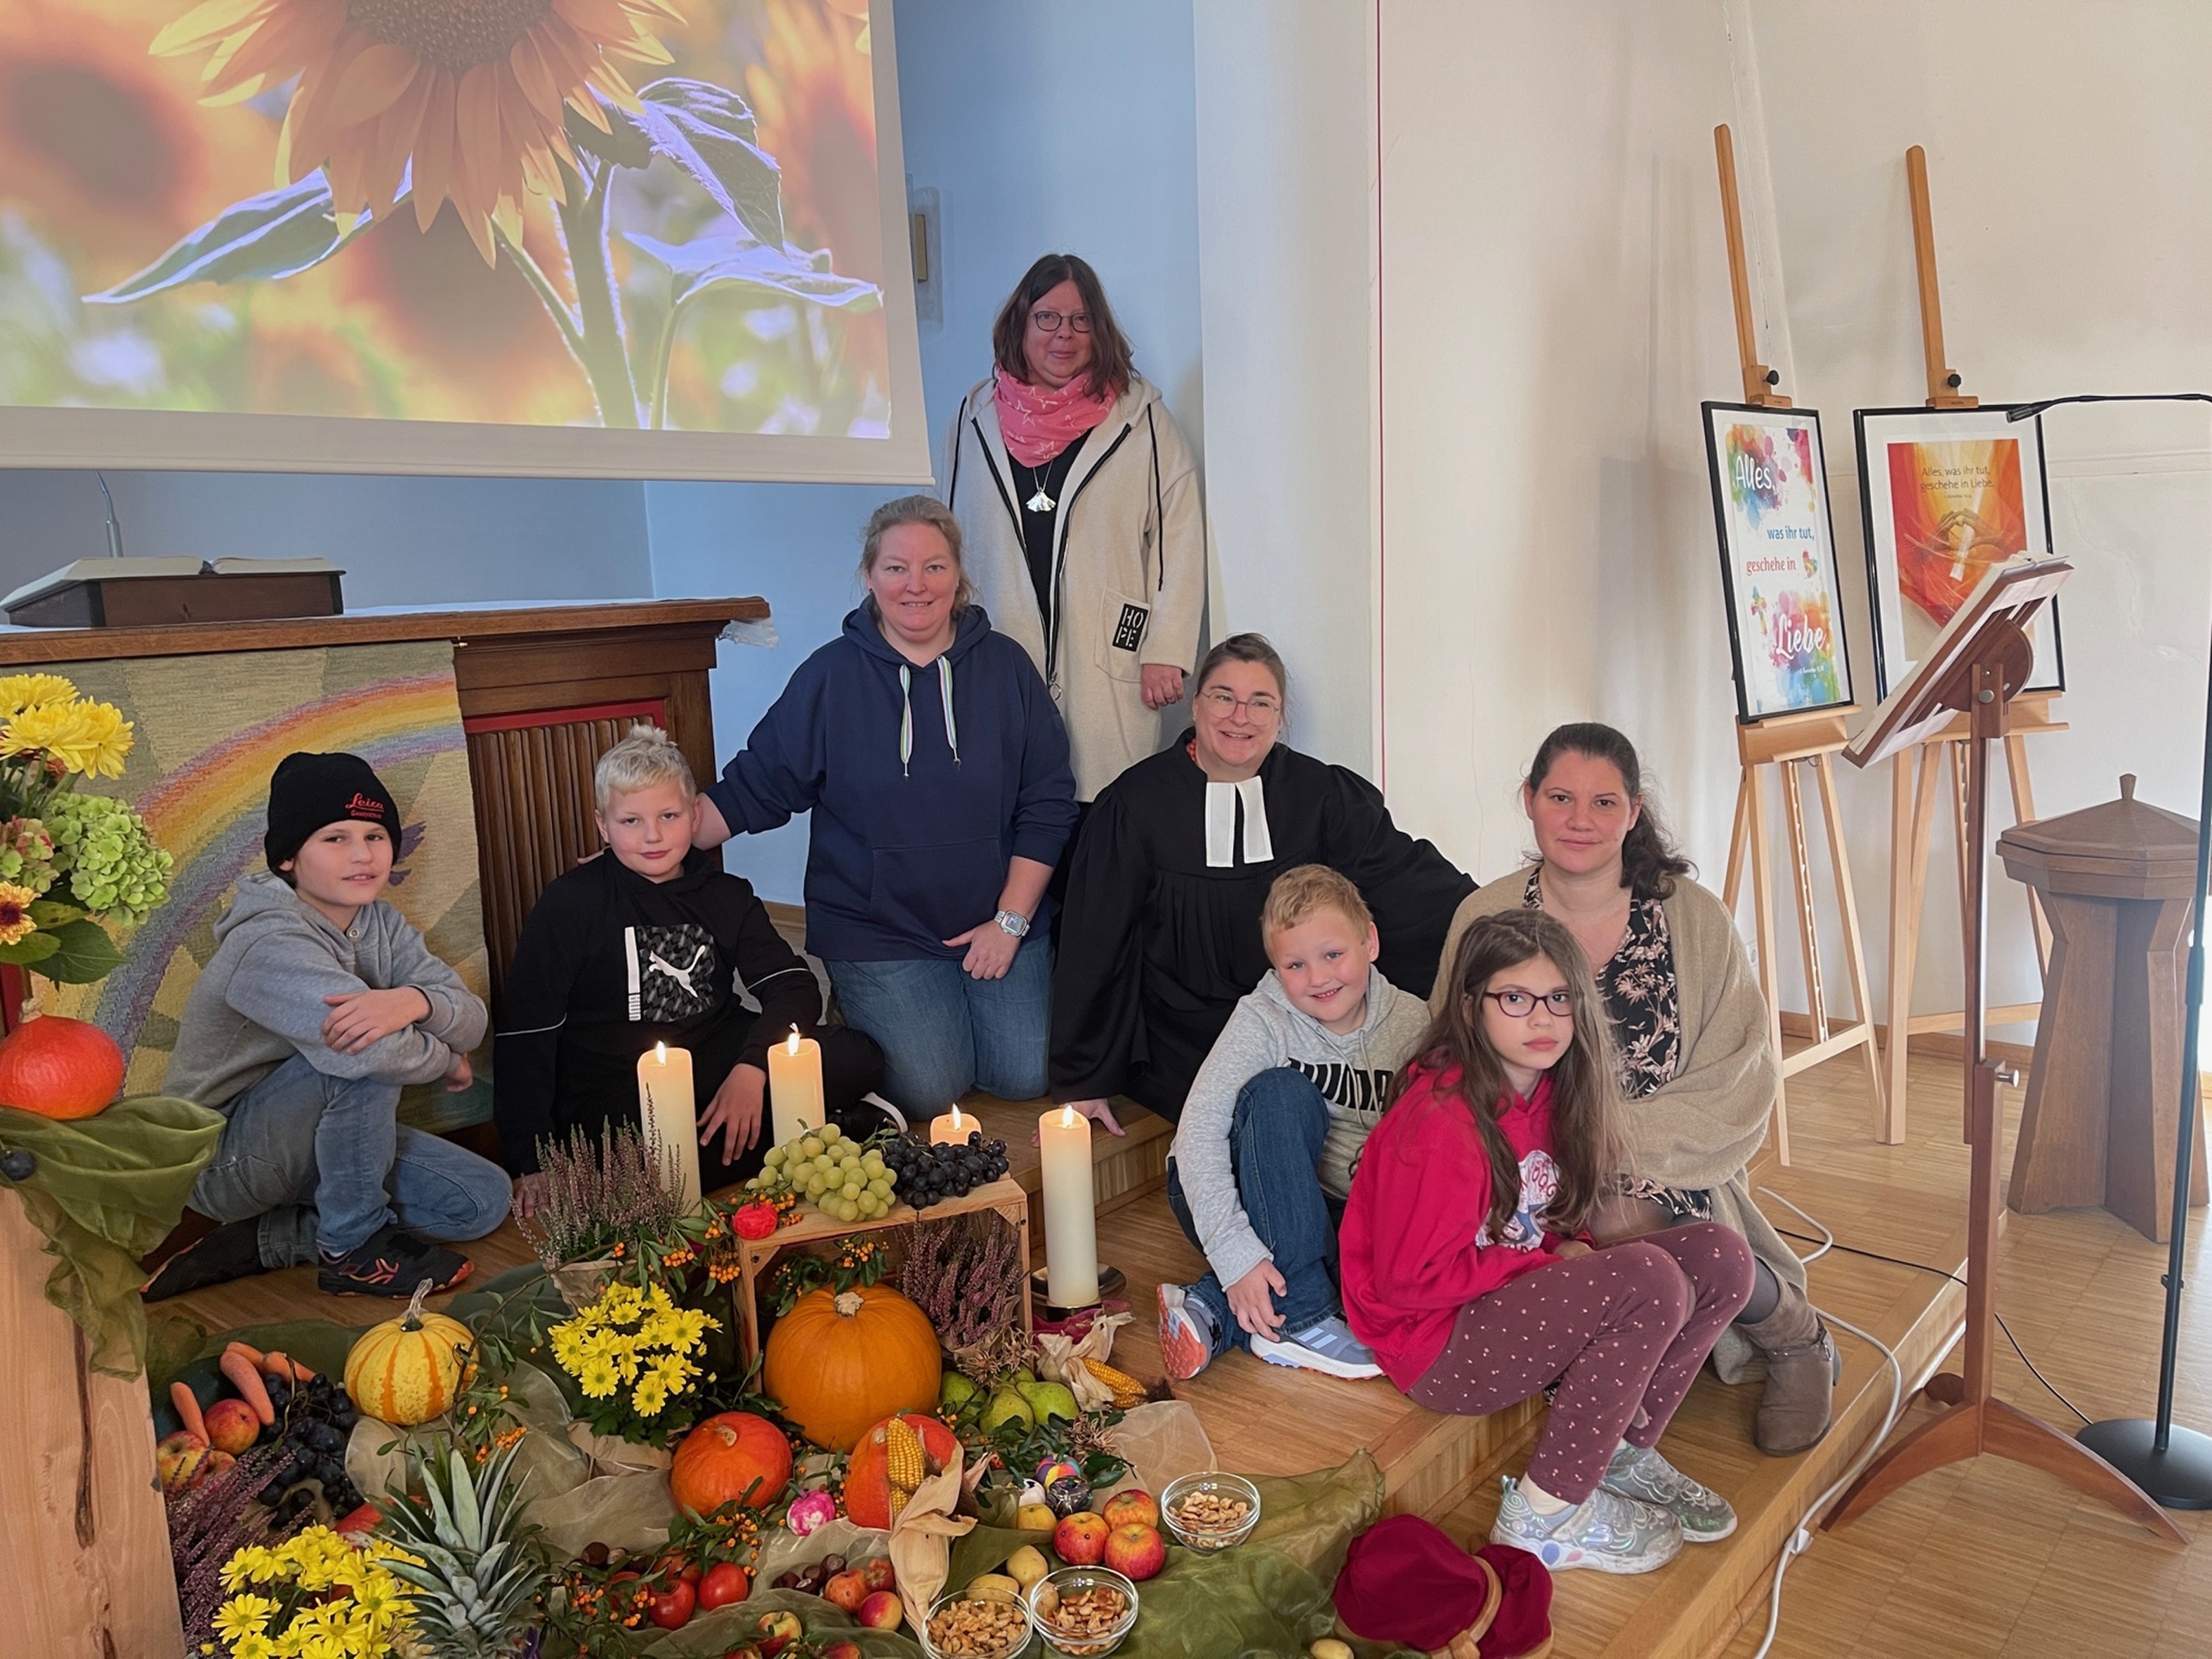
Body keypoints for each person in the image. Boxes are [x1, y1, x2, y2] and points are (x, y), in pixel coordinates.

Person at [1432, 722, 1832, 1456]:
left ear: (1634, 811)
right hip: (1522, 1157)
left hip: (1662, 1155)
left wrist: (1608, 1143)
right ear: (1529, 799)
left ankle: (1793, 1332)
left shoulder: (1693, 917)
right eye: (1560, 797)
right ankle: (1605, 1388)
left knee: (1614, 1220)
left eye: (1604, 802)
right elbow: (1450, 1055)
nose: (1580, 819)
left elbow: (1741, 1070)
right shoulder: (1484, 916)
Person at [1342, 911, 1753, 1575]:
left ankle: (1617, 1451)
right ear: (1471, 1007)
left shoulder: (1555, 1089)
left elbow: (1554, 1213)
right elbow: (1408, 1280)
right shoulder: (1442, 1123)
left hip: (1501, 1300)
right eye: (1515, 998)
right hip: (1433, 1342)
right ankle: (1543, 1514)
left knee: (1721, 1258)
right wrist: (1547, 1262)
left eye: (1559, 997)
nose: (1542, 1018)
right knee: (1650, 1279)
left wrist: (1567, 1250)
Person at [693, 496, 1078, 1116]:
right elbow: (758, 784)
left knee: (1024, 1073)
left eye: (934, 567)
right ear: (870, 575)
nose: (916, 585)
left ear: (958, 575)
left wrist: (1010, 922)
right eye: (897, 567)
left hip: (996, 917)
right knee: (929, 1090)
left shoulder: (1007, 666)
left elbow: (1048, 801)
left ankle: (951, 998)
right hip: (879, 930)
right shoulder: (829, 676)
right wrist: (656, 836)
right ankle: (862, 1001)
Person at [1051, 633, 1473, 1129]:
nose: (1240, 717)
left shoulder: (1319, 795)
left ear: (1280, 716)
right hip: (1182, 1043)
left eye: (1260, 702)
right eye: (1224, 697)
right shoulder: (1137, 805)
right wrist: (1084, 1078)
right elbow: (1096, 939)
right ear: (1196, 704)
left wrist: (1495, 919)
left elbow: (1405, 881)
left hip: (1306, 1025)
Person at [147, 753, 510, 1300]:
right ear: (288, 857)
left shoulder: (383, 925)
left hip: (320, 1140)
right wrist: (445, 1061)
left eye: (375, 835)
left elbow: (472, 1020)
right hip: (225, 1159)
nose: (362, 854)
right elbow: (366, 1051)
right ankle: (351, 1248)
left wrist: (413, 1000)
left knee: (481, 1200)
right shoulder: (266, 939)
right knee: (359, 1053)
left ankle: (274, 1237)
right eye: (335, 838)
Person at [494, 726, 886, 1208]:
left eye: (669, 815)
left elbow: (794, 986)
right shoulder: (570, 903)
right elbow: (526, 1035)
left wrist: (752, 1068)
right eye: (631, 821)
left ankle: (778, 1133)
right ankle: (833, 1129)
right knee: (634, 1173)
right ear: (603, 825)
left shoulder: (726, 894)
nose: (652, 835)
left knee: (856, 1056)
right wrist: (529, 1160)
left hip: (719, 1058)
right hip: (617, 1089)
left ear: (695, 814)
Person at [942, 253, 1206, 803]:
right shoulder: (973, 415)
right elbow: (947, 532)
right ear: (1021, 323)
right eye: (1048, 317)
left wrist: (1167, 647)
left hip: (1105, 651)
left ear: (1098, 329)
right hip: (999, 644)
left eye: (1081, 320)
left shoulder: (1141, 417)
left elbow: (1179, 536)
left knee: (1105, 804)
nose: (1064, 334)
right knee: (1007, 802)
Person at [1156, 864, 1429, 1382]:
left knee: (1391, 1284)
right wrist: (1235, 1253)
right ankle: (1304, 1315)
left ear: (1370, 942)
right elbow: (1198, 1134)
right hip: (1228, 1186)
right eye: (1296, 964)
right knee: (1282, 1091)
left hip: (1333, 1209)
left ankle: (1210, 1308)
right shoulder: (1265, 1019)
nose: (1319, 977)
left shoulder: (1416, 1022)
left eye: (1333, 955)